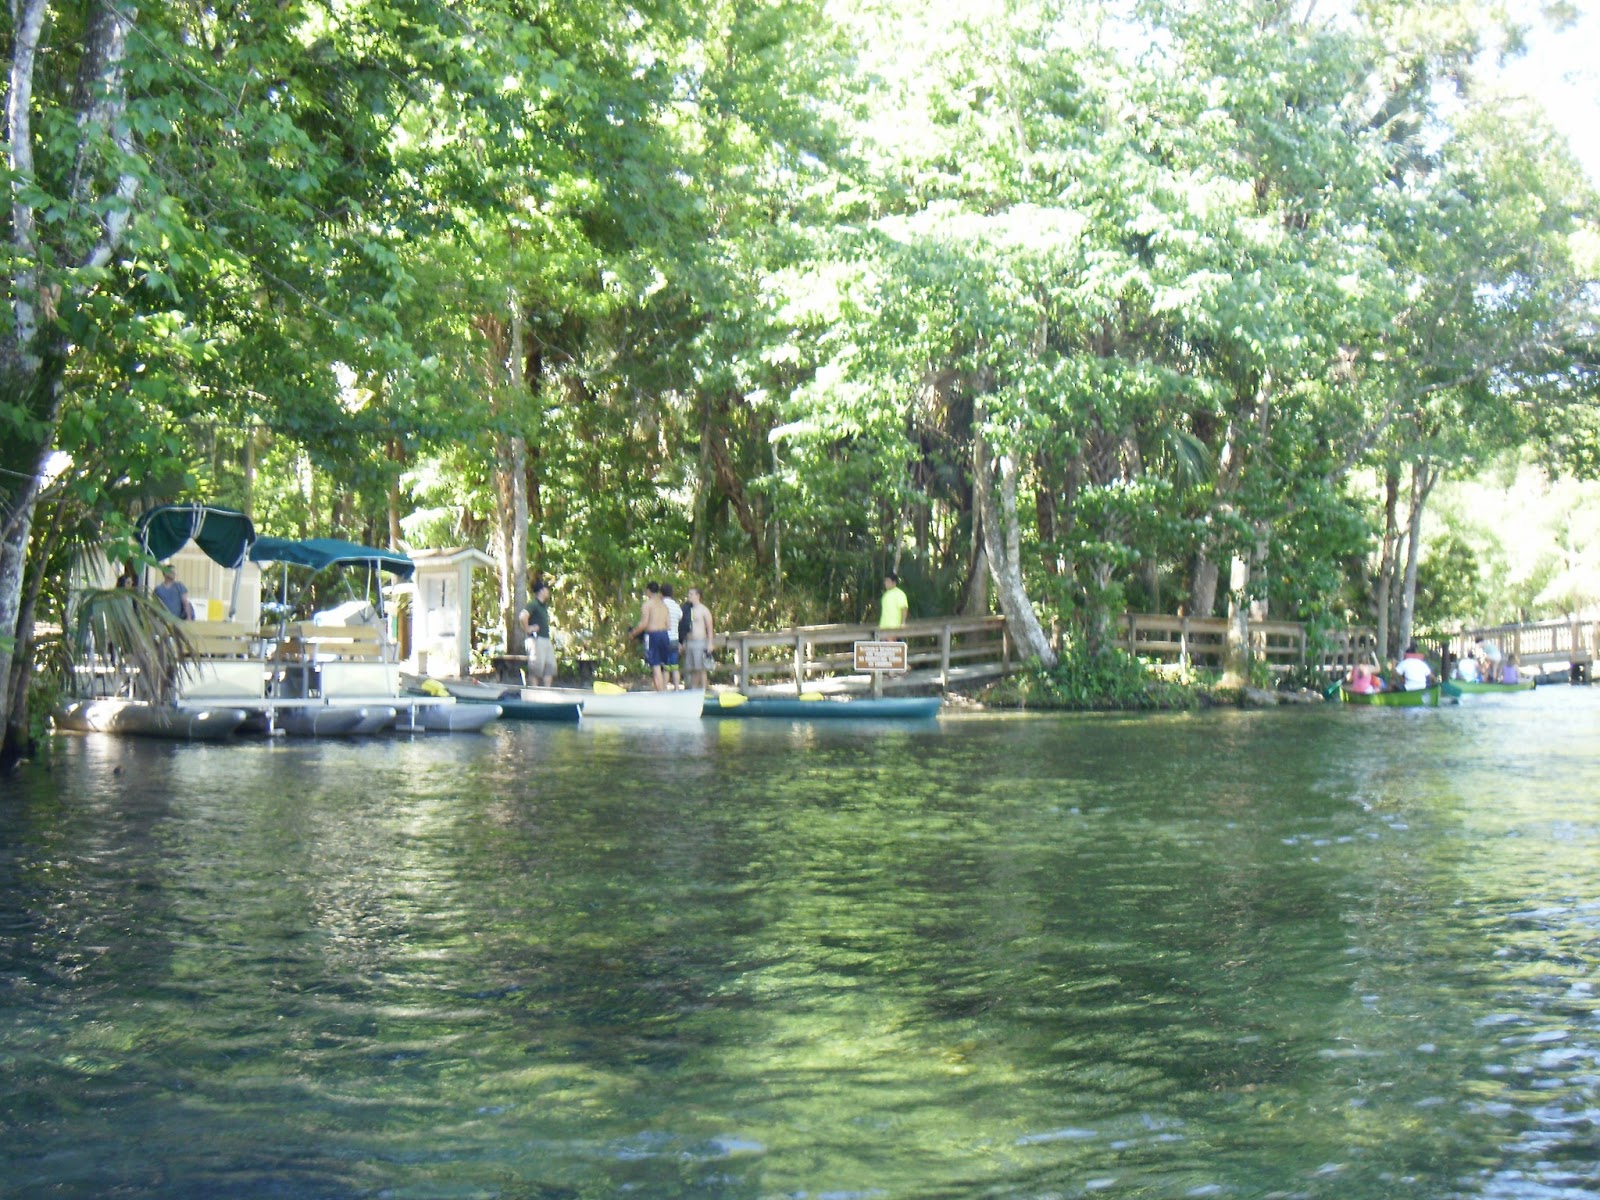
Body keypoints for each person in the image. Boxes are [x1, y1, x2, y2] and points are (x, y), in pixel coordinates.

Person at [627, 581, 672, 691]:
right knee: (665, 666)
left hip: (653, 635)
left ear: (648, 591)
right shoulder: (664, 605)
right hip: (665, 635)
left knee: (656, 666)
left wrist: (633, 634)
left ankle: (660, 694)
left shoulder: (647, 605)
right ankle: (664, 691)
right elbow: (669, 624)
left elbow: (644, 624)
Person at [520, 580, 557, 687]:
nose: (548, 591)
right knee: (536, 669)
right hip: (536, 641)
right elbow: (523, 616)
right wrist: (528, 629)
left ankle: (547, 692)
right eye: (546, 589)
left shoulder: (543, 606)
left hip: (545, 639)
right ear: (541, 591)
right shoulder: (534, 604)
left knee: (549, 668)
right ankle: (534, 692)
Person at [680, 586, 714, 691]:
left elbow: (709, 627)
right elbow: (684, 627)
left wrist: (710, 643)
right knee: (692, 668)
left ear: (697, 596)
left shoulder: (704, 610)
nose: (689, 596)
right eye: (688, 594)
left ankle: (703, 689)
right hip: (690, 642)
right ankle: (694, 689)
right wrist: (684, 642)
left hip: (700, 642)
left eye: (691, 594)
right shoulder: (687, 610)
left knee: (701, 668)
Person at [660, 583, 683, 691]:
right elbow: (680, 617)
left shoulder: (661, 605)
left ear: (661, 593)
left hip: (664, 638)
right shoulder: (676, 606)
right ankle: (677, 688)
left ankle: (664, 688)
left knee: (665, 667)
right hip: (674, 638)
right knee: (674, 666)